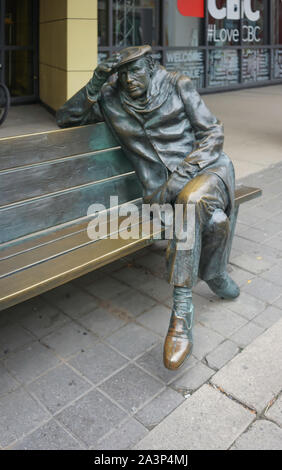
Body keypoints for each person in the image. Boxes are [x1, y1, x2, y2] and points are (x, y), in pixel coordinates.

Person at [57, 45, 240, 371]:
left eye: (135, 72)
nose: (128, 80)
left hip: (206, 171)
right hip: (161, 196)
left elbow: (213, 133)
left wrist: (178, 179)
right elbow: (65, 118)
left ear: (152, 69)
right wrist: (98, 80)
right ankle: (214, 271)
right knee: (215, 222)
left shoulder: (177, 84)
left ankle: (181, 315)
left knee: (190, 201)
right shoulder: (111, 100)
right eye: (122, 73)